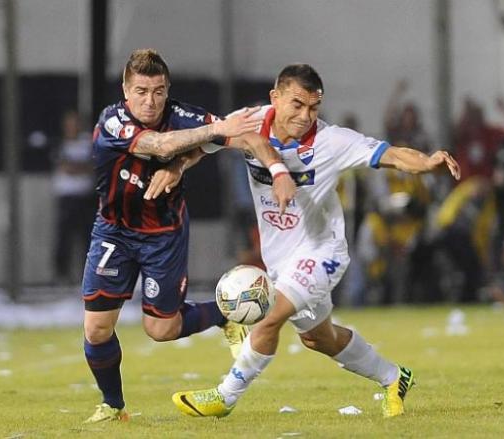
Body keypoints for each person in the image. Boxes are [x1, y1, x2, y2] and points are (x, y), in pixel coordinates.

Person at [171, 64, 460, 419]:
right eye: (297, 104)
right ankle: (393, 377)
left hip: (323, 251)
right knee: (318, 339)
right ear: (275, 98)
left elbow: (393, 154)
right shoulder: (249, 122)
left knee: (268, 315)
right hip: (280, 256)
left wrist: (427, 162)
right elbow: (209, 141)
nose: (306, 116)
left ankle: (223, 397)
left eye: (313, 107)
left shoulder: (331, 142)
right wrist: (179, 166)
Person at [81, 49, 296, 424]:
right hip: (114, 231)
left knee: (161, 330)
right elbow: (161, 145)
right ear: (126, 91)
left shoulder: (182, 116)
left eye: (159, 91)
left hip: (163, 231)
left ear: (168, 90)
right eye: (142, 91)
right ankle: (113, 405)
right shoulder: (113, 122)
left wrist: (278, 169)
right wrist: (214, 131)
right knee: (97, 329)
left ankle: (225, 317)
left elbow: (244, 137)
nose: (151, 101)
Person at [51, 110, 95, 284]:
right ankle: (62, 275)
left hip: (85, 197)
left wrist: (77, 167)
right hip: (66, 197)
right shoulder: (60, 144)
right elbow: (64, 166)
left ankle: (88, 274)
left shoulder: (88, 144)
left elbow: (92, 166)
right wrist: (79, 167)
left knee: (87, 237)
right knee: (64, 237)